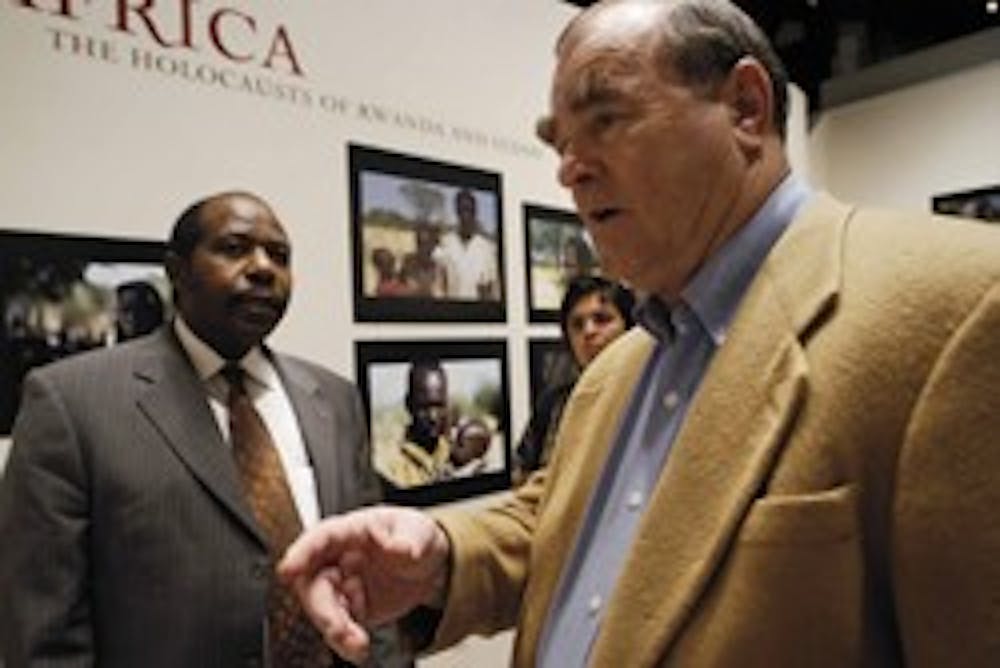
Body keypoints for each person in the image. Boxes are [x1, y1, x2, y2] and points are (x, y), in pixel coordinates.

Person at [279, 1, 1000, 666]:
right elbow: (572, 526)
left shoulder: (959, 308)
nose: (569, 168)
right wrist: (440, 551)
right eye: (560, 141)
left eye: (606, 119)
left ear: (746, 108)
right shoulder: (617, 369)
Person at [0, 191, 409, 667]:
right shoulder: (71, 403)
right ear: (177, 270)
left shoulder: (334, 399)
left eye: (279, 256)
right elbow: (43, 634)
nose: (262, 268)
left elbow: (371, 580)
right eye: (234, 248)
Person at [513, 275, 635, 484]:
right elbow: (523, 477)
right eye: (577, 324)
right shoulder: (554, 403)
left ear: (630, 327)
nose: (589, 331)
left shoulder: (649, 394)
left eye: (602, 319)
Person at [377, 360, 453, 488]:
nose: (433, 417)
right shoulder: (391, 467)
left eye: (439, 406)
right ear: (409, 405)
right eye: (424, 408)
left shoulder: (455, 452)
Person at [433, 189, 499, 300]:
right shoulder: (445, 243)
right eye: (462, 210)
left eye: (470, 210)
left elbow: (494, 290)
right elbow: (439, 285)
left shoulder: (488, 248)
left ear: (475, 213)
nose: (466, 215)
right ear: (456, 212)